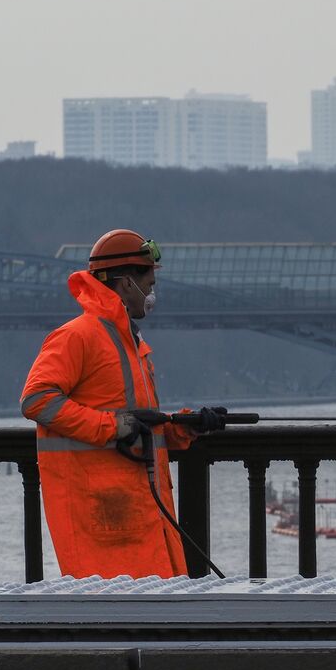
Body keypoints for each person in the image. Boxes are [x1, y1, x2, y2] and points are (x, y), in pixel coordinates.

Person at [20, 229, 225, 578]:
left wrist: (185, 426)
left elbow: (141, 423)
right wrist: (112, 428)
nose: (153, 289)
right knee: (121, 619)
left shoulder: (128, 343)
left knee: (152, 617)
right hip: (105, 514)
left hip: (136, 509)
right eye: (149, 279)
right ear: (127, 282)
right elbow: (36, 400)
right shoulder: (78, 336)